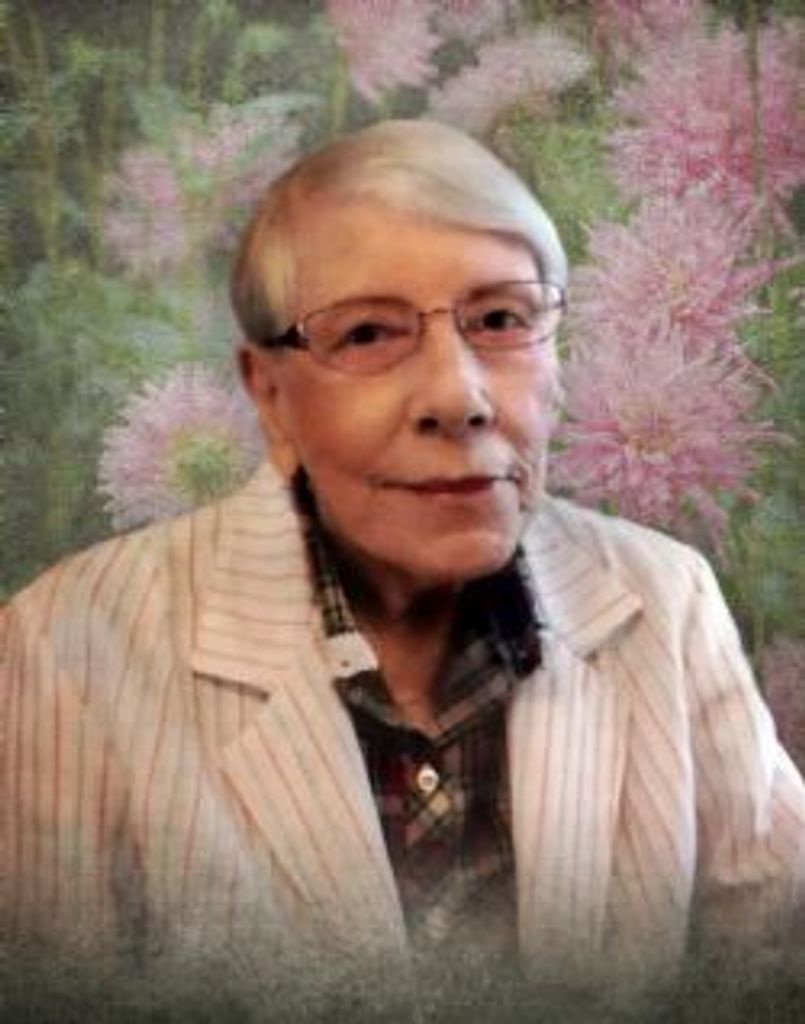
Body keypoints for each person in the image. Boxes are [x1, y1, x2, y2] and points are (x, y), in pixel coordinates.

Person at [2, 119, 804, 1021]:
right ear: (269, 395)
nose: (457, 398)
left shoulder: (666, 600)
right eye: (367, 334)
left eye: (500, 320)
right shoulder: (64, 648)